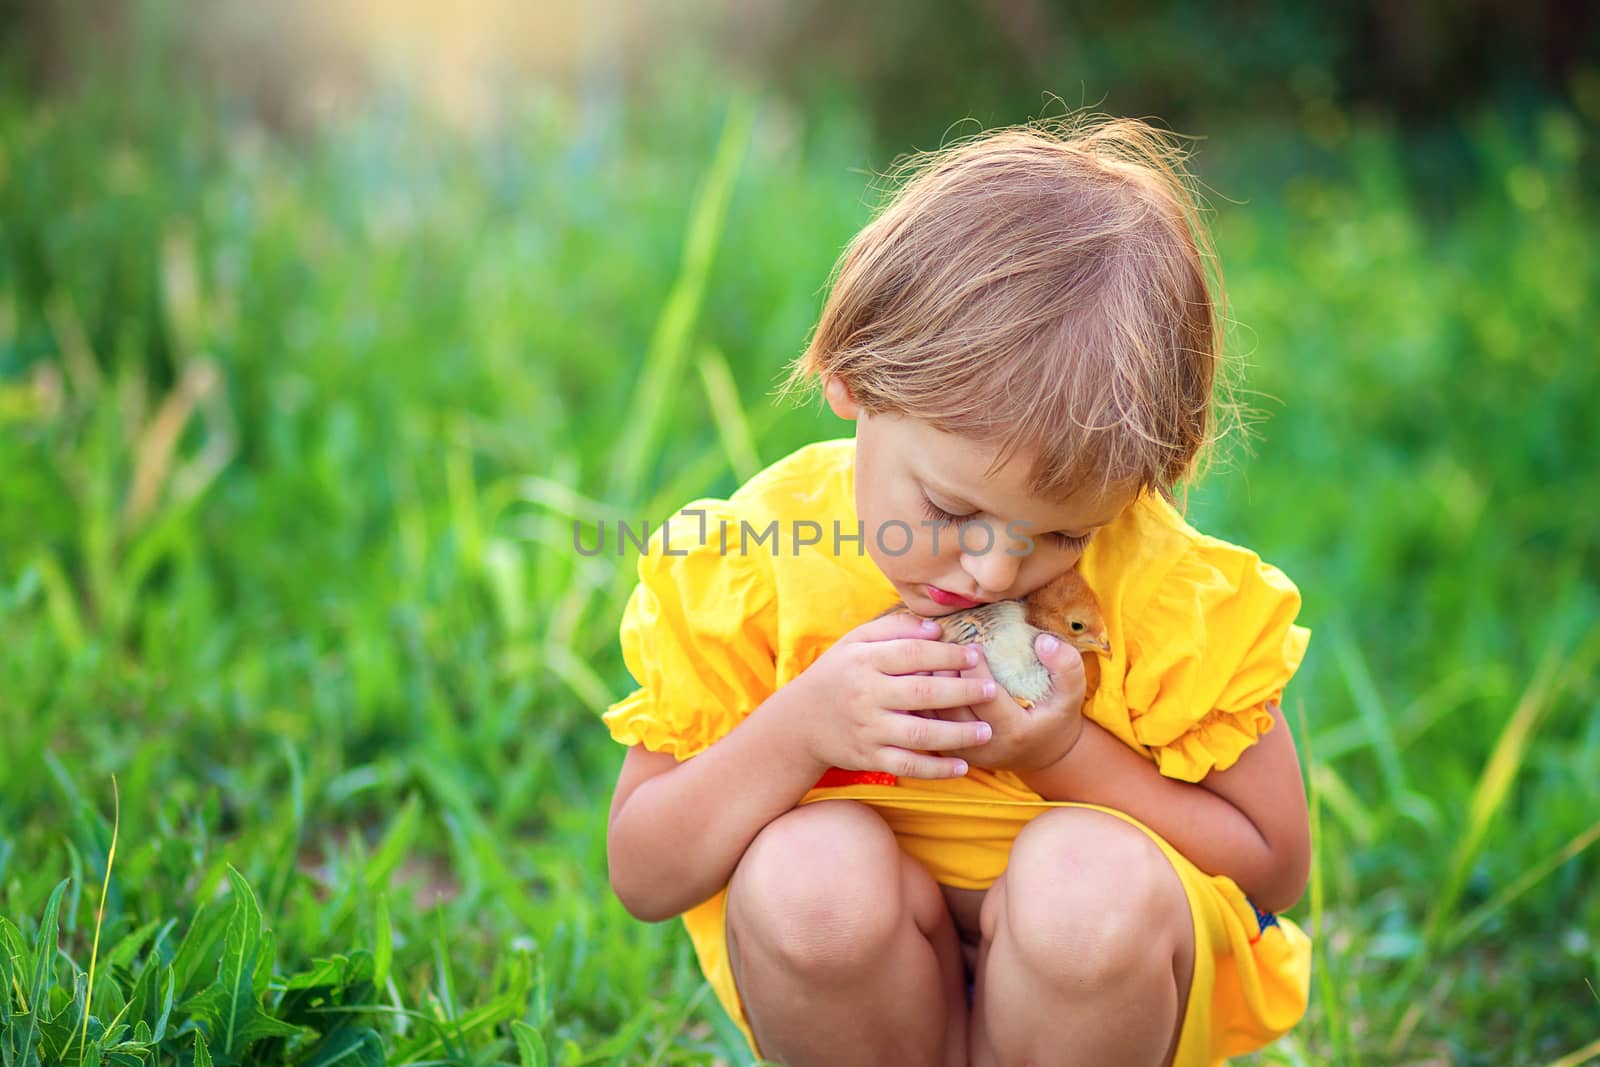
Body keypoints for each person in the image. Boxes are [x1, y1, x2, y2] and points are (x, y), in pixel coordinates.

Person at [602, 114, 1313, 1066]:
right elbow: (645, 871)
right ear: (854, 380)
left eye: (1063, 532)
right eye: (948, 508)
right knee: (805, 877)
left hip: (1093, 990)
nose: (992, 571)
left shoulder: (1166, 596)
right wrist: (804, 726)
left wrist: (1064, 753)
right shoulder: (758, 563)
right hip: (869, 989)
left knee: (1085, 885)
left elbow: (1275, 868)